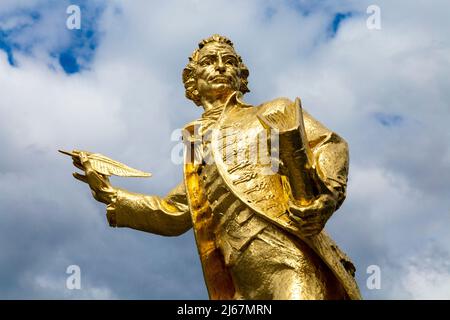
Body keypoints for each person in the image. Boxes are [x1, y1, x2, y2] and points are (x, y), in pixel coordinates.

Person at [69, 34, 361, 300]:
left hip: (291, 256)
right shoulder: (196, 144)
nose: (221, 66)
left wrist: (328, 194)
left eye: (229, 61)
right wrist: (110, 193)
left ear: (240, 76)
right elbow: (175, 211)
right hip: (240, 278)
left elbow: (330, 145)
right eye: (209, 62)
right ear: (192, 83)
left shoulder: (273, 111)